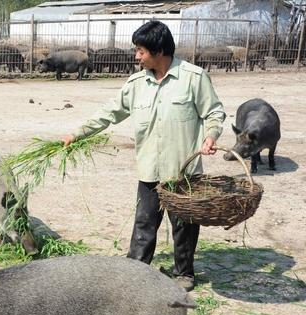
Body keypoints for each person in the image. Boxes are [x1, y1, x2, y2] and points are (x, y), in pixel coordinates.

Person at [62, 21, 226, 292]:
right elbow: (109, 112)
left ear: (158, 50)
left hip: (183, 171)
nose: (136, 56)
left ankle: (184, 273)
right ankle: (135, 271)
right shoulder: (136, 83)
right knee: (144, 222)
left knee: (184, 225)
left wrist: (211, 135)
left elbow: (214, 113)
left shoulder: (194, 78)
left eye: (140, 51)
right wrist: (77, 134)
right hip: (149, 169)